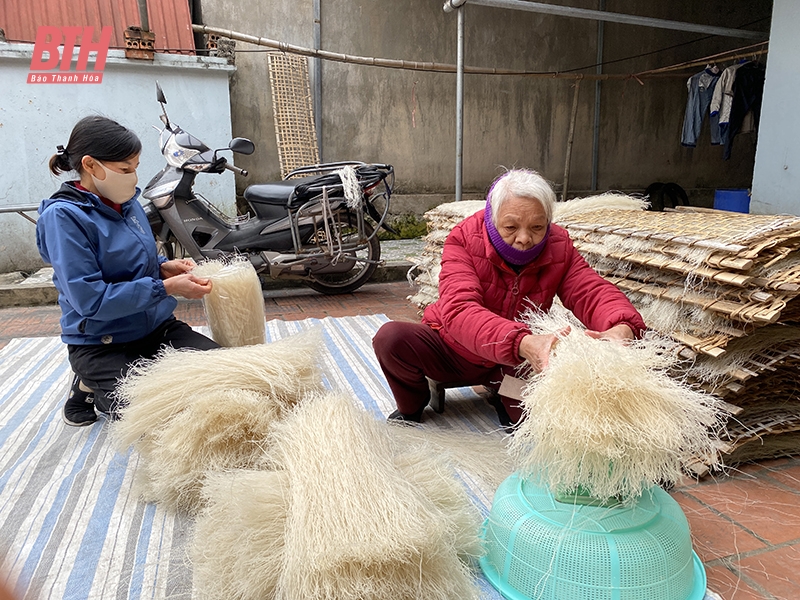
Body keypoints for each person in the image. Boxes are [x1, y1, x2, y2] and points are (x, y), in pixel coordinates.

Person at [372, 169, 647, 426]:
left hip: (514, 362)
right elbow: (459, 310)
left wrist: (621, 327)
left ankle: (504, 396)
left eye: (537, 227)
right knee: (391, 339)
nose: (525, 239)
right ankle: (413, 404)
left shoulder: (558, 246)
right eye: (511, 227)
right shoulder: (464, 239)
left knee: (526, 425)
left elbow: (590, 290)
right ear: (492, 218)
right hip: (453, 351)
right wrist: (522, 341)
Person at [36, 115, 220, 427]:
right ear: (91, 165)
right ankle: (87, 384)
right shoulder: (64, 219)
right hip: (102, 344)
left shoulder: (128, 203)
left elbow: (134, 260)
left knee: (227, 373)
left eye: (135, 167)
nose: (134, 177)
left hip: (155, 329)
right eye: (125, 169)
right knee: (160, 414)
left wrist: (163, 268)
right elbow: (90, 300)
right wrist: (168, 288)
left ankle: (141, 368)